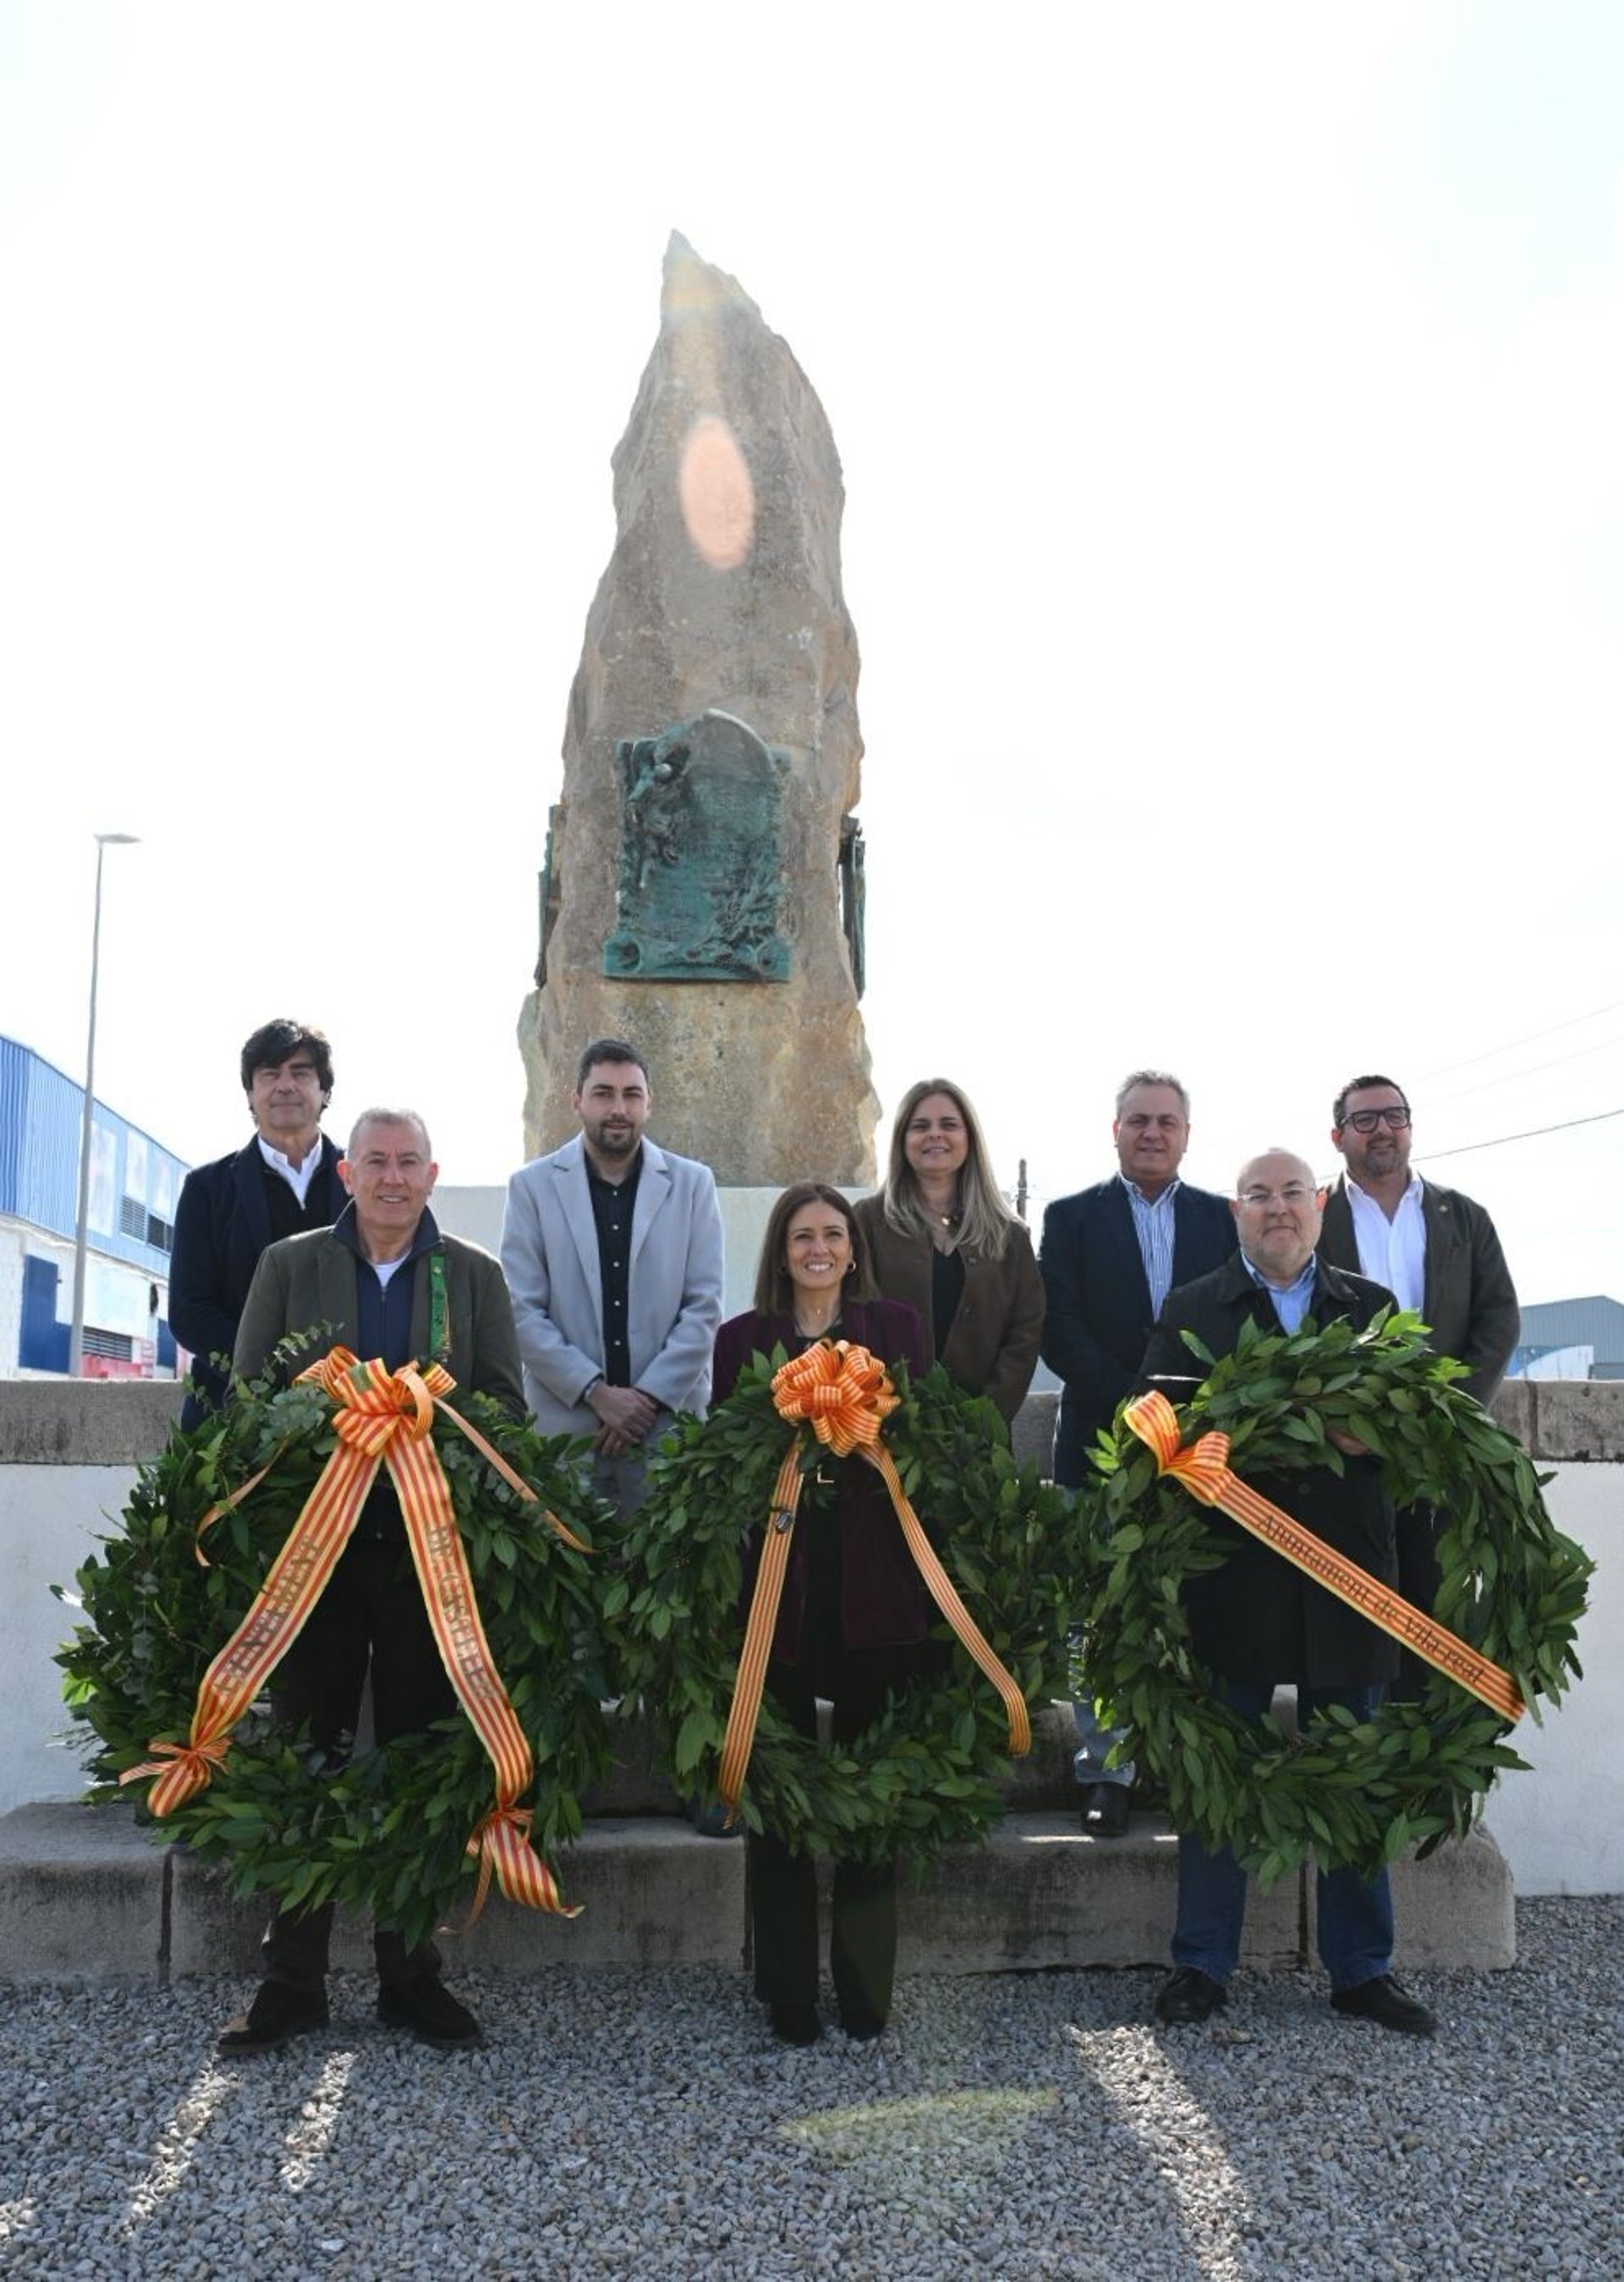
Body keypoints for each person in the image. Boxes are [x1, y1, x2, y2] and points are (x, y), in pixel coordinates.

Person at [217, 1108, 525, 2057]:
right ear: (347, 1173)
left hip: (428, 1562)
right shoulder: (289, 1265)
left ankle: (410, 1977)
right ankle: (291, 1982)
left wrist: (426, 1415)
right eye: (376, 1162)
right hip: (316, 1561)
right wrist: (331, 1417)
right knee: (304, 1757)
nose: (393, 1178)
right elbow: (245, 1399)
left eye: (409, 1162)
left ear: (432, 1175)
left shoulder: (472, 1274)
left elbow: (506, 1407)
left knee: (416, 1761)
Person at [1142, 1149, 1436, 2038]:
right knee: (1219, 1776)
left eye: (1293, 1193)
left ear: (1321, 1205)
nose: (1279, 1208)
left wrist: (1371, 1436)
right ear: (1236, 1211)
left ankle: (1362, 1969)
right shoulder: (1194, 1308)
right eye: (1260, 1195)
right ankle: (1201, 1964)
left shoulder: (1373, 1310)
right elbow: (1157, 1428)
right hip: (1233, 1575)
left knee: (1352, 1773)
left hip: (1350, 1574)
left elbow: (1419, 1435)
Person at [712, 1184, 935, 2047]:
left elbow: (925, 1445)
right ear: (781, 1249)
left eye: (833, 1233)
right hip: (781, 1591)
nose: (819, 1247)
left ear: (853, 1247)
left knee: (873, 1795)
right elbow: (725, 1460)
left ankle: (865, 1986)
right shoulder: (743, 1340)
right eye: (802, 1234)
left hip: (878, 1590)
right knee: (780, 1799)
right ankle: (788, 1991)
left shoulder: (898, 1330)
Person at [1038, 1071, 1235, 1834]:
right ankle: (1106, 1769)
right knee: (1097, 1617)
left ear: (1187, 1135)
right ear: (1114, 1130)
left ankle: (1189, 1767)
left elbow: (1237, 1324)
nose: (1152, 1133)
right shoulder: (1069, 1217)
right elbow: (1059, 1327)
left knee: (1197, 1610)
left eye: (1166, 1122)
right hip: (1097, 1446)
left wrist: (1190, 1415)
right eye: (1138, 1120)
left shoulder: (1223, 1219)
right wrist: (1133, 1407)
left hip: (1200, 1451)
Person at [1317, 1072, 1520, 1689]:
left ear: (1410, 1127)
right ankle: (1350, 1743)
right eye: (1364, 1119)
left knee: (1432, 1611)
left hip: (1437, 1456)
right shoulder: (1312, 1217)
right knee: (1345, 1616)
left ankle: (1425, 1745)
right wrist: (1332, 1417)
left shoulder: (1463, 1217)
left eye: (1394, 1116)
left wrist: (1450, 1413)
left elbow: (1499, 1318)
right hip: (1342, 1454)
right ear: (1338, 1136)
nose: (1382, 1129)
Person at [500, 1039, 724, 1517]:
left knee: (668, 1565)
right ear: (577, 1100)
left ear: (649, 1102)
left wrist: (644, 1401)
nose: (618, 1109)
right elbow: (521, 1311)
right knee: (567, 1565)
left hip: (666, 1432)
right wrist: (597, 1394)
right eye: (603, 1093)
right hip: (565, 1435)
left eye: (631, 1094)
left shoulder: (693, 1185)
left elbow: (703, 1307)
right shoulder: (531, 1188)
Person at [169, 1019, 346, 1425]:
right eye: (269, 1074)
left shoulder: (365, 1183)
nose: (285, 1085)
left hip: (352, 1417)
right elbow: (190, 1311)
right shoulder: (207, 1189)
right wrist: (269, 1374)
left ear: (324, 1090)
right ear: (250, 1093)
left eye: (300, 1072)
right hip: (230, 1414)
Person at [852, 1077, 1044, 1428]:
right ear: (902, 1140)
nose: (935, 1135)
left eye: (949, 1125)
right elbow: (850, 1317)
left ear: (969, 1138)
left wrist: (984, 1418)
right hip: (884, 1431)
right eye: (920, 1126)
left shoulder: (1009, 1234)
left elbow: (1025, 1331)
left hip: (980, 1437)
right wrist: (884, 1413)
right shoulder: (867, 1222)